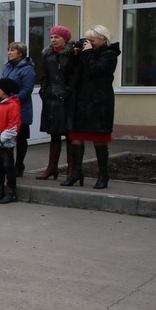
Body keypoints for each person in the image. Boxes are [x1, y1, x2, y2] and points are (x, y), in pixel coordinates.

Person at [61, 25, 121, 189]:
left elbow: (96, 70)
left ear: (103, 39)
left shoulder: (109, 55)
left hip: (99, 101)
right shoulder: (85, 54)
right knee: (76, 137)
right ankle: (76, 172)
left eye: (92, 40)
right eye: (88, 40)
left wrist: (87, 53)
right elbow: (69, 71)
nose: (90, 43)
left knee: (99, 138)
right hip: (81, 100)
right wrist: (75, 55)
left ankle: (103, 175)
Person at [36, 25, 77, 180]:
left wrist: (66, 92)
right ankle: (51, 168)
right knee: (53, 134)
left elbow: (74, 77)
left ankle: (71, 169)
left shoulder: (72, 55)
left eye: (57, 37)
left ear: (65, 39)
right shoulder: (47, 55)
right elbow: (44, 75)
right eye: (52, 37)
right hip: (50, 99)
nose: (53, 40)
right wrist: (43, 91)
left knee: (69, 134)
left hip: (66, 99)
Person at [0, 42, 36, 177]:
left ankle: (19, 165)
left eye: (12, 50)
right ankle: (6, 164)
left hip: (20, 109)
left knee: (20, 139)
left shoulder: (27, 69)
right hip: (6, 107)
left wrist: (13, 100)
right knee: (5, 137)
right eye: (8, 50)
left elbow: (27, 89)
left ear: (20, 53)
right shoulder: (7, 67)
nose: (9, 52)